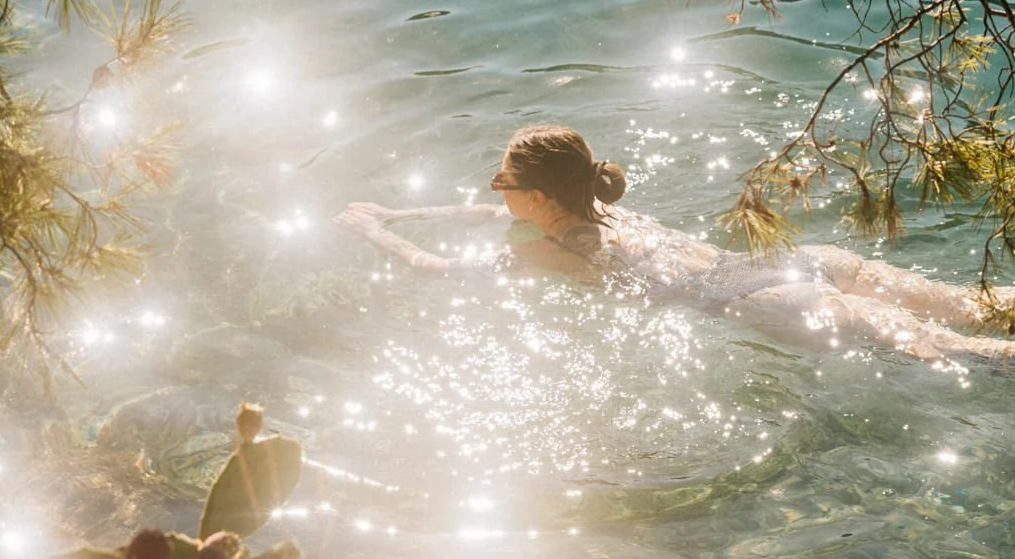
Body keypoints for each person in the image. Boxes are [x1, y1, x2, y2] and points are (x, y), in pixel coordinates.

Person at [336, 124, 1015, 366]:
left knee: (976, 356)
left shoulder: (548, 251)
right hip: (795, 263)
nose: (491, 190)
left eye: (502, 180)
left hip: (771, 305)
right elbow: (478, 214)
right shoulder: (595, 203)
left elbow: (436, 270)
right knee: (978, 305)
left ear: (537, 196)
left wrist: (372, 232)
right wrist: (398, 207)